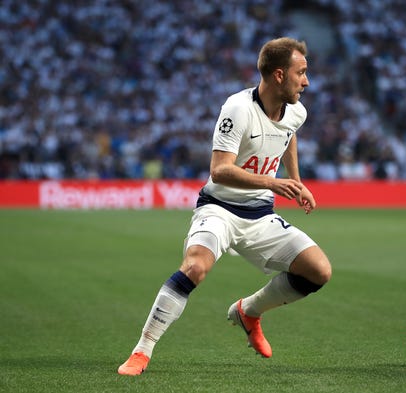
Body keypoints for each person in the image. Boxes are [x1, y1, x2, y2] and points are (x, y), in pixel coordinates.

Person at [118, 37, 332, 376]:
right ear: (279, 75)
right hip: (219, 208)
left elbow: (289, 135)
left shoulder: (297, 111)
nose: (306, 82)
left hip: (260, 215)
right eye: (301, 73)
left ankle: (249, 311)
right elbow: (220, 170)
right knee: (195, 268)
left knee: (319, 270)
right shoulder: (238, 108)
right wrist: (274, 183)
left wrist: (296, 179)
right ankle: (142, 351)